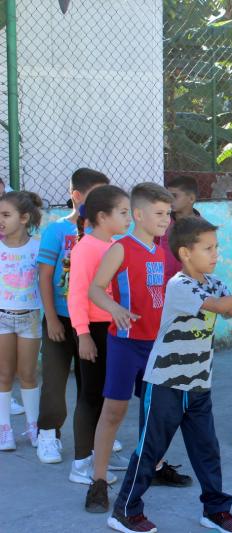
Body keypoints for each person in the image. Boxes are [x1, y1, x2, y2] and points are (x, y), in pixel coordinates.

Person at [108, 216, 232, 533]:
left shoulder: (215, 281)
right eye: (208, 248)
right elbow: (218, 306)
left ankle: (215, 510)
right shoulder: (180, 286)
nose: (216, 253)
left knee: (207, 451)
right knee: (150, 450)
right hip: (165, 384)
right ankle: (125, 510)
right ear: (186, 253)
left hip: (199, 383)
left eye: (216, 247)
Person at [85, 183, 192, 513]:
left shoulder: (159, 250)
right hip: (126, 345)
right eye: (159, 214)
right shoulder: (120, 248)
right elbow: (95, 289)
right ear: (138, 214)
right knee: (114, 412)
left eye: (168, 214)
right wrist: (114, 309)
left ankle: (154, 467)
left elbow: (157, 296)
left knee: (156, 411)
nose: (165, 220)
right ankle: (98, 482)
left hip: (156, 345)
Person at [36, 168, 111, 464]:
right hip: (61, 318)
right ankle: (48, 433)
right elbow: (44, 277)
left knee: (91, 382)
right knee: (55, 378)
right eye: (97, 197)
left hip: (92, 321)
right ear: (77, 197)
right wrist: (52, 318)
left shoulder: (105, 237)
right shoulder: (56, 231)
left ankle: (95, 437)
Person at [66, 186, 133, 486]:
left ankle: (100, 453)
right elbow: (77, 295)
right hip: (94, 330)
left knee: (109, 396)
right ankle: (81, 463)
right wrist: (83, 335)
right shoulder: (86, 248)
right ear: (102, 216)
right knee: (90, 396)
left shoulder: (114, 245)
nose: (129, 218)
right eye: (123, 213)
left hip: (114, 330)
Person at [0, 192, 43, 452]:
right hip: (2, 318)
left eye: (6, 215)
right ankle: (4, 428)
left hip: (31, 319)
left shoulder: (37, 247)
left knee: (28, 374)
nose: (1, 220)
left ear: (24, 218)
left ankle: (33, 425)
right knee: (3, 374)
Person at [162, 175, 203, 281]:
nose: (169, 200)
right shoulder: (162, 223)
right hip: (163, 285)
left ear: (191, 198)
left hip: (190, 285)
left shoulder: (203, 228)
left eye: (174, 196)